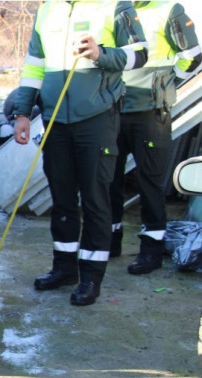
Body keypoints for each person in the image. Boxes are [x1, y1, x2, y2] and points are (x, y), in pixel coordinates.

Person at [13, 1, 148, 306]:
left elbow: (141, 54)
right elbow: (35, 64)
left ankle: (90, 276)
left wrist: (103, 54)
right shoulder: (48, 9)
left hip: (97, 118)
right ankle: (64, 268)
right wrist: (22, 112)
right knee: (61, 199)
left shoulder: (116, 6)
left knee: (95, 198)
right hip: (55, 119)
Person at [108, 1, 201, 274]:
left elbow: (193, 55)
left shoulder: (168, 10)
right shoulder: (110, 9)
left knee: (150, 182)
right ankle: (110, 241)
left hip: (151, 112)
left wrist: (167, 83)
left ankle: (151, 251)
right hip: (113, 109)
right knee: (108, 179)